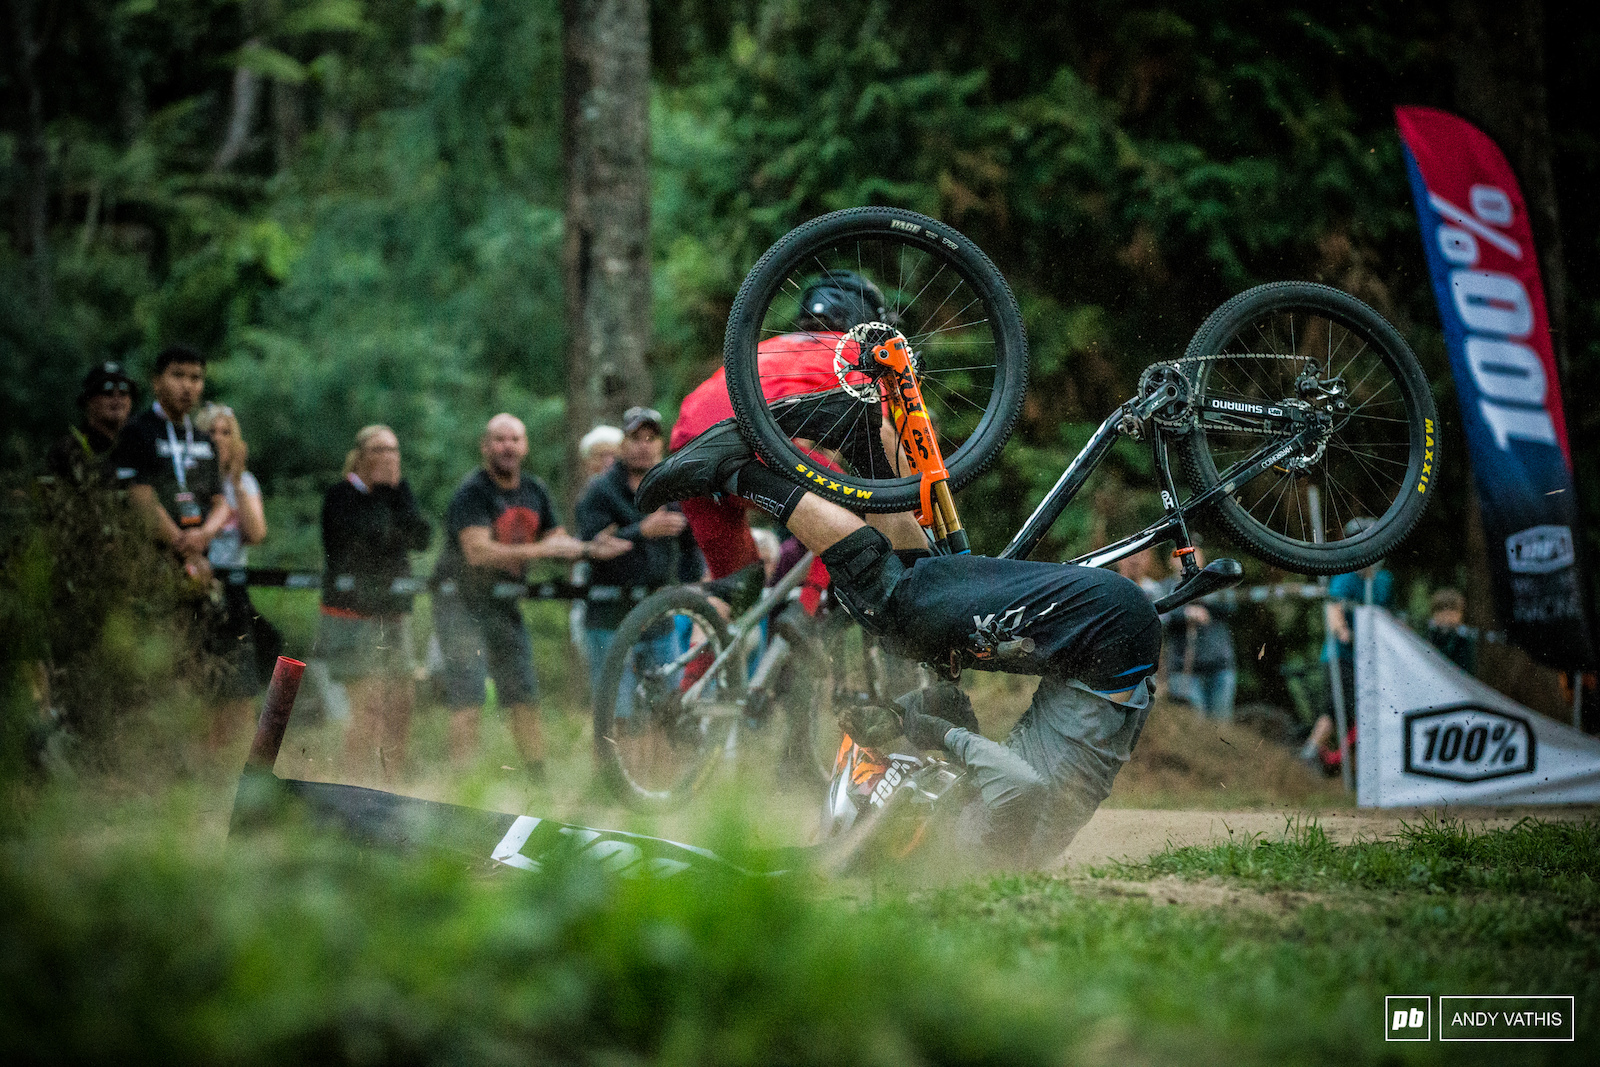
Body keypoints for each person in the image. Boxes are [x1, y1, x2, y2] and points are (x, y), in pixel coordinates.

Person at [636, 411, 1162, 868]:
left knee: (925, 612)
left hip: (1102, 653)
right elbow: (1019, 782)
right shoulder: (990, 854)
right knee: (894, 607)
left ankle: (861, 440)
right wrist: (924, 728)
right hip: (1104, 638)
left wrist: (906, 716)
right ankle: (735, 472)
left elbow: (956, 710)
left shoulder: (969, 837)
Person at [433, 413, 631, 775]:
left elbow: (554, 539)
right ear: (486, 446)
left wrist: (589, 548)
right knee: (468, 693)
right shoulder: (473, 493)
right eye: (500, 439)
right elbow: (478, 552)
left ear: (524, 446)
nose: (508, 446)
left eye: (515, 439)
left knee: (523, 692)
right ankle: (460, 783)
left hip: (503, 603)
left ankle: (537, 779)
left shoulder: (534, 489)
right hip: (459, 604)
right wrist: (541, 551)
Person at [314, 425, 432, 784]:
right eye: (380, 450)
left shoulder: (398, 493)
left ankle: (390, 783)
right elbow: (366, 539)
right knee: (368, 708)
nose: (389, 458)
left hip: (392, 614)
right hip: (350, 614)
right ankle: (353, 783)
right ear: (362, 455)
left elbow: (421, 537)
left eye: (394, 450)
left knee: (401, 703)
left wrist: (396, 496)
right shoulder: (341, 495)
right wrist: (386, 503)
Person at [574, 407, 701, 697]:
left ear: (660, 444)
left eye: (650, 438)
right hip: (609, 615)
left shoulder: (672, 488)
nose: (644, 446)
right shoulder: (600, 491)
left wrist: (690, 586)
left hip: (658, 614)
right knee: (617, 712)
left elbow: (690, 544)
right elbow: (590, 546)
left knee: (667, 708)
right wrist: (642, 530)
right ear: (622, 445)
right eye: (636, 438)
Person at [192, 402, 272, 750]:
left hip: (234, 592)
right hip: (197, 588)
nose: (220, 439)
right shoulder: (189, 477)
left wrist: (236, 482)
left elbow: (255, 533)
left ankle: (236, 758)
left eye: (227, 432)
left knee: (242, 683)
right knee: (206, 688)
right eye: (212, 432)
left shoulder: (245, 482)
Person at [112, 345, 229, 580]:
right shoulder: (136, 431)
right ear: (157, 382)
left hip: (199, 562)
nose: (187, 386)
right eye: (178, 375)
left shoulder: (204, 439)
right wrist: (183, 546)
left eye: (195, 378)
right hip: (151, 563)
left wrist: (204, 535)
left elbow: (221, 503)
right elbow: (139, 497)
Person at [1301, 521, 1393, 773]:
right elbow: (1334, 609)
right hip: (1341, 655)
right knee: (1335, 707)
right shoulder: (1345, 578)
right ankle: (1309, 752)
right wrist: (1344, 632)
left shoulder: (1384, 580)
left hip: (1371, 656)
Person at [1159, 541, 1237, 720]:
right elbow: (1161, 614)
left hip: (1219, 668)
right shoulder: (1165, 587)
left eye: (1193, 552)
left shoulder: (1215, 581)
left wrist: (1199, 596)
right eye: (1180, 554)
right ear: (1171, 559)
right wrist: (1185, 613)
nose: (1186, 558)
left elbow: (1230, 604)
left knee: (1221, 728)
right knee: (1193, 728)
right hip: (1184, 670)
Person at [46, 360, 136, 486]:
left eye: (124, 390)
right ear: (89, 400)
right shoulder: (69, 451)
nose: (117, 397)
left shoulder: (140, 447)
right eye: (107, 390)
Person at [1425, 588, 1476, 673]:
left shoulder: (1463, 640)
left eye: (1452, 613)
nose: (1447, 618)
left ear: (1460, 615)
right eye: (1442, 612)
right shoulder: (1429, 635)